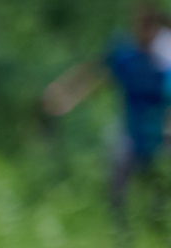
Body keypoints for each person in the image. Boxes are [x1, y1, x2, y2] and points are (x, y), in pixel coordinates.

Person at [46, 9, 171, 228]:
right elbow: (95, 72)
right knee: (117, 177)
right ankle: (122, 233)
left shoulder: (165, 58)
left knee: (160, 184)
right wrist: (67, 93)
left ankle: (157, 225)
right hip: (133, 128)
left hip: (163, 130)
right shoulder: (128, 57)